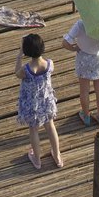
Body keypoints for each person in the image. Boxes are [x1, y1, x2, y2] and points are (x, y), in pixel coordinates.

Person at [14, 34, 62, 170]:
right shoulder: (49, 64)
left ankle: (37, 159)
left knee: (34, 129)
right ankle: (57, 155)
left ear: (27, 51)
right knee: (50, 126)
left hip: (32, 105)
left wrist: (19, 55)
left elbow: (17, 73)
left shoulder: (27, 70)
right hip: (46, 102)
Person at [63, 18, 99, 126]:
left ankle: (86, 116)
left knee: (84, 90)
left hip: (84, 59)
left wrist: (74, 49)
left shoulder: (81, 24)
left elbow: (65, 43)